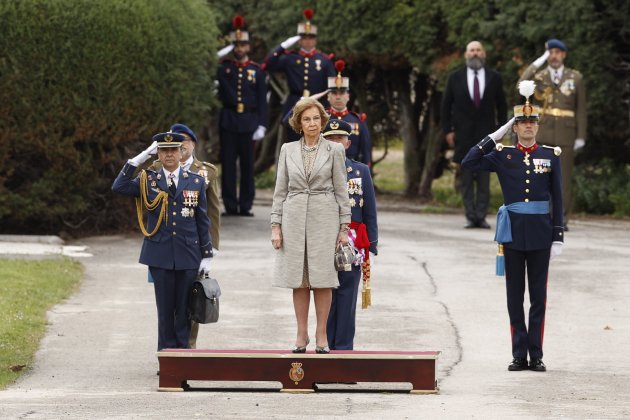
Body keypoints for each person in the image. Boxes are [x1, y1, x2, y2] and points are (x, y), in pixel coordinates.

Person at [461, 81, 564, 372]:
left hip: (542, 235)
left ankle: (537, 354)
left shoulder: (550, 155)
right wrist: (496, 134)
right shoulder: (504, 155)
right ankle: (519, 354)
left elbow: (558, 197)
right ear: (515, 127)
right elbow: (469, 161)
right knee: (514, 297)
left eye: (532, 122)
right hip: (513, 235)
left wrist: (558, 236)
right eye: (522, 122)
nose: (528, 127)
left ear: (537, 127)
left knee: (539, 299)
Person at [112, 132, 213, 352]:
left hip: (188, 254)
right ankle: (167, 359)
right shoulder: (148, 179)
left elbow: (202, 220)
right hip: (160, 254)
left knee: (185, 310)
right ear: (157, 153)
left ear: (181, 152)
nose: (169, 154)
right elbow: (118, 186)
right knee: (165, 311)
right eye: (164, 150)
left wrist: (207, 254)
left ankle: (183, 357)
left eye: (173, 150)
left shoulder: (195, 181)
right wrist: (138, 160)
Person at [270, 97, 351, 354]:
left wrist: (344, 228)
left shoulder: (335, 150)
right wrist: (276, 225)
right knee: (300, 279)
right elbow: (280, 190)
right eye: (307, 119)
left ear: (322, 121)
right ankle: (301, 333)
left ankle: (321, 334)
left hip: (324, 217)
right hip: (293, 217)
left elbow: (341, 190)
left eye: (316, 118)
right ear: (299, 123)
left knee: (323, 279)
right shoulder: (287, 150)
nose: (312, 123)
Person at [148, 123, 220, 349]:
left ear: (191, 145)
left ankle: (188, 347)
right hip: (163, 247)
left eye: (184, 142)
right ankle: (169, 351)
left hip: (192, 246)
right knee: (166, 303)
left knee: (191, 300)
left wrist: (211, 248)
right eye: (169, 146)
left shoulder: (205, 172)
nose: (178, 148)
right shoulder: (156, 168)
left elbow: (211, 212)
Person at [518, 39, 586, 230]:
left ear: (563, 54)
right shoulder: (539, 77)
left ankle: (561, 219)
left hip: (566, 135)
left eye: (556, 52)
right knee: (540, 179)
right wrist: (539, 61)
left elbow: (581, 109)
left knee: (563, 180)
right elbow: (521, 83)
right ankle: (542, 217)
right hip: (544, 134)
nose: (553, 56)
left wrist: (580, 135)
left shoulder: (575, 77)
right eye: (550, 52)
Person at [322, 118, 378, 350]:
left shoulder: (360, 170)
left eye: (340, 138)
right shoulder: (315, 170)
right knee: (324, 296)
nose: (336, 142)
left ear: (347, 142)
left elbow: (370, 210)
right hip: (322, 237)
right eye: (331, 138)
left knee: (346, 297)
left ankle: (343, 350)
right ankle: (322, 346)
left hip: (352, 242)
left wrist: (371, 246)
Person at [441, 40, 508, 229]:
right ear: (466, 54)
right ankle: (470, 216)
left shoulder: (494, 77)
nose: (475, 53)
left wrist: (501, 131)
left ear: (484, 54)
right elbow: (446, 106)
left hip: (487, 135)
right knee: (467, 178)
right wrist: (448, 130)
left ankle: (481, 216)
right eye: (472, 50)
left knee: (485, 178)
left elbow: (501, 106)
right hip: (463, 136)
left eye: (478, 50)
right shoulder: (455, 78)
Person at [217, 16, 268, 217]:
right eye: (236, 45)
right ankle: (230, 205)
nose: (240, 49)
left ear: (248, 47)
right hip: (229, 120)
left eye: (243, 45)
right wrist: (225, 51)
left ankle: (245, 205)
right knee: (228, 164)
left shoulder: (256, 71)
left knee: (247, 166)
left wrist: (262, 124)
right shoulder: (224, 67)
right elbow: (208, 61)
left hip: (249, 121)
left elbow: (262, 100)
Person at [264, 8, 335, 142]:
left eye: (311, 38)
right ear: (299, 40)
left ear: (315, 40)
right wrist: (283, 46)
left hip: (317, 104)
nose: (308, 41)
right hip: (295, 104)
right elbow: (268, 64)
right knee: (294, 144)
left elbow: (332, 88)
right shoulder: (291, 58)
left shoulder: (324, 60)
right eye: (304, 38)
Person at [326, 60, 372, 166]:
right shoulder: (320, 119)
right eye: (334, 93)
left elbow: (365, 151)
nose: (338, 97)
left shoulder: (358, 120)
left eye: (342, 93)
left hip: (352, 171)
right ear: (328, 96)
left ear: (348, 96)